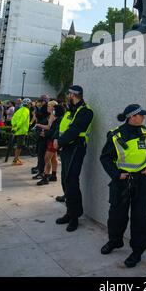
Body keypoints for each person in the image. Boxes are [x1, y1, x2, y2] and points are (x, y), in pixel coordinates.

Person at [100, 104, 146, 268]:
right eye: (141, 115)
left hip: (141, 181)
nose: (143, 117)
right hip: (122, 182)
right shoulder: (115, 135)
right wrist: (116, 174)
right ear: (132, 117)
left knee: (140, 217)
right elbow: (105, 158)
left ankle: (137, 251)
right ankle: (115, 241)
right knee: (117, 215)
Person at [53, 86, 93, 232]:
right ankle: (70, 212)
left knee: (71, 181)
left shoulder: (86, 111)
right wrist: (57, 139)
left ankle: (75, 216)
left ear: (74, 95)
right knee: (65, 179)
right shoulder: (70, 110)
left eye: (69, 94)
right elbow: (61, 126)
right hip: (66, 148)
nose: (67, 96)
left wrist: (60, 142)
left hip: (77, 148)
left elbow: (75, 130)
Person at [36, 104, 65, 186]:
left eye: (54, 109)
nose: (52, 110)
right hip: (53, 140)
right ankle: (53, 175)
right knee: (53, 159)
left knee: (46, 158)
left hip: (53, 141)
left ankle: (45, 178)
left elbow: (54, 130)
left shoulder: (58, 119)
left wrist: (45, 134)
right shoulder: (59, 119)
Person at [11, 98, 31, 165]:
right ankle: (15, 160)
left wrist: (14, 126)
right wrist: (17, 128)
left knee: (19, 146)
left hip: (17, 130)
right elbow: (22, 120)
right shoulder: (26, 110)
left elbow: (13, 118)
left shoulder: (20, 110)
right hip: (21, 131)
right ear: (28, 104)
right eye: (30, 104)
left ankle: (17, 158)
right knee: (19, 146)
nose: (30, 105)